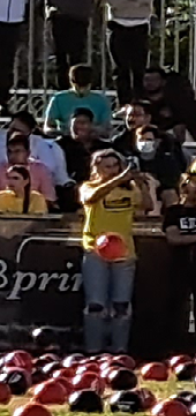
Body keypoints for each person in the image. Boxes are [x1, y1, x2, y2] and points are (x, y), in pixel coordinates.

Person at [75, 146, 144, 354]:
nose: (113, 170)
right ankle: (94, 350)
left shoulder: (129, 189)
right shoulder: (88, 186)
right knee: (96, 305)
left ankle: (119, 350)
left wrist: (140, 183)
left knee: (121, 306)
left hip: (124, 253)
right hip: (95, 251)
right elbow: (91, 198)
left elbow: (145, 205)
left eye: (116, 166)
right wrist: (117, 179)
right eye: (107, 167)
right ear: (96, 168)